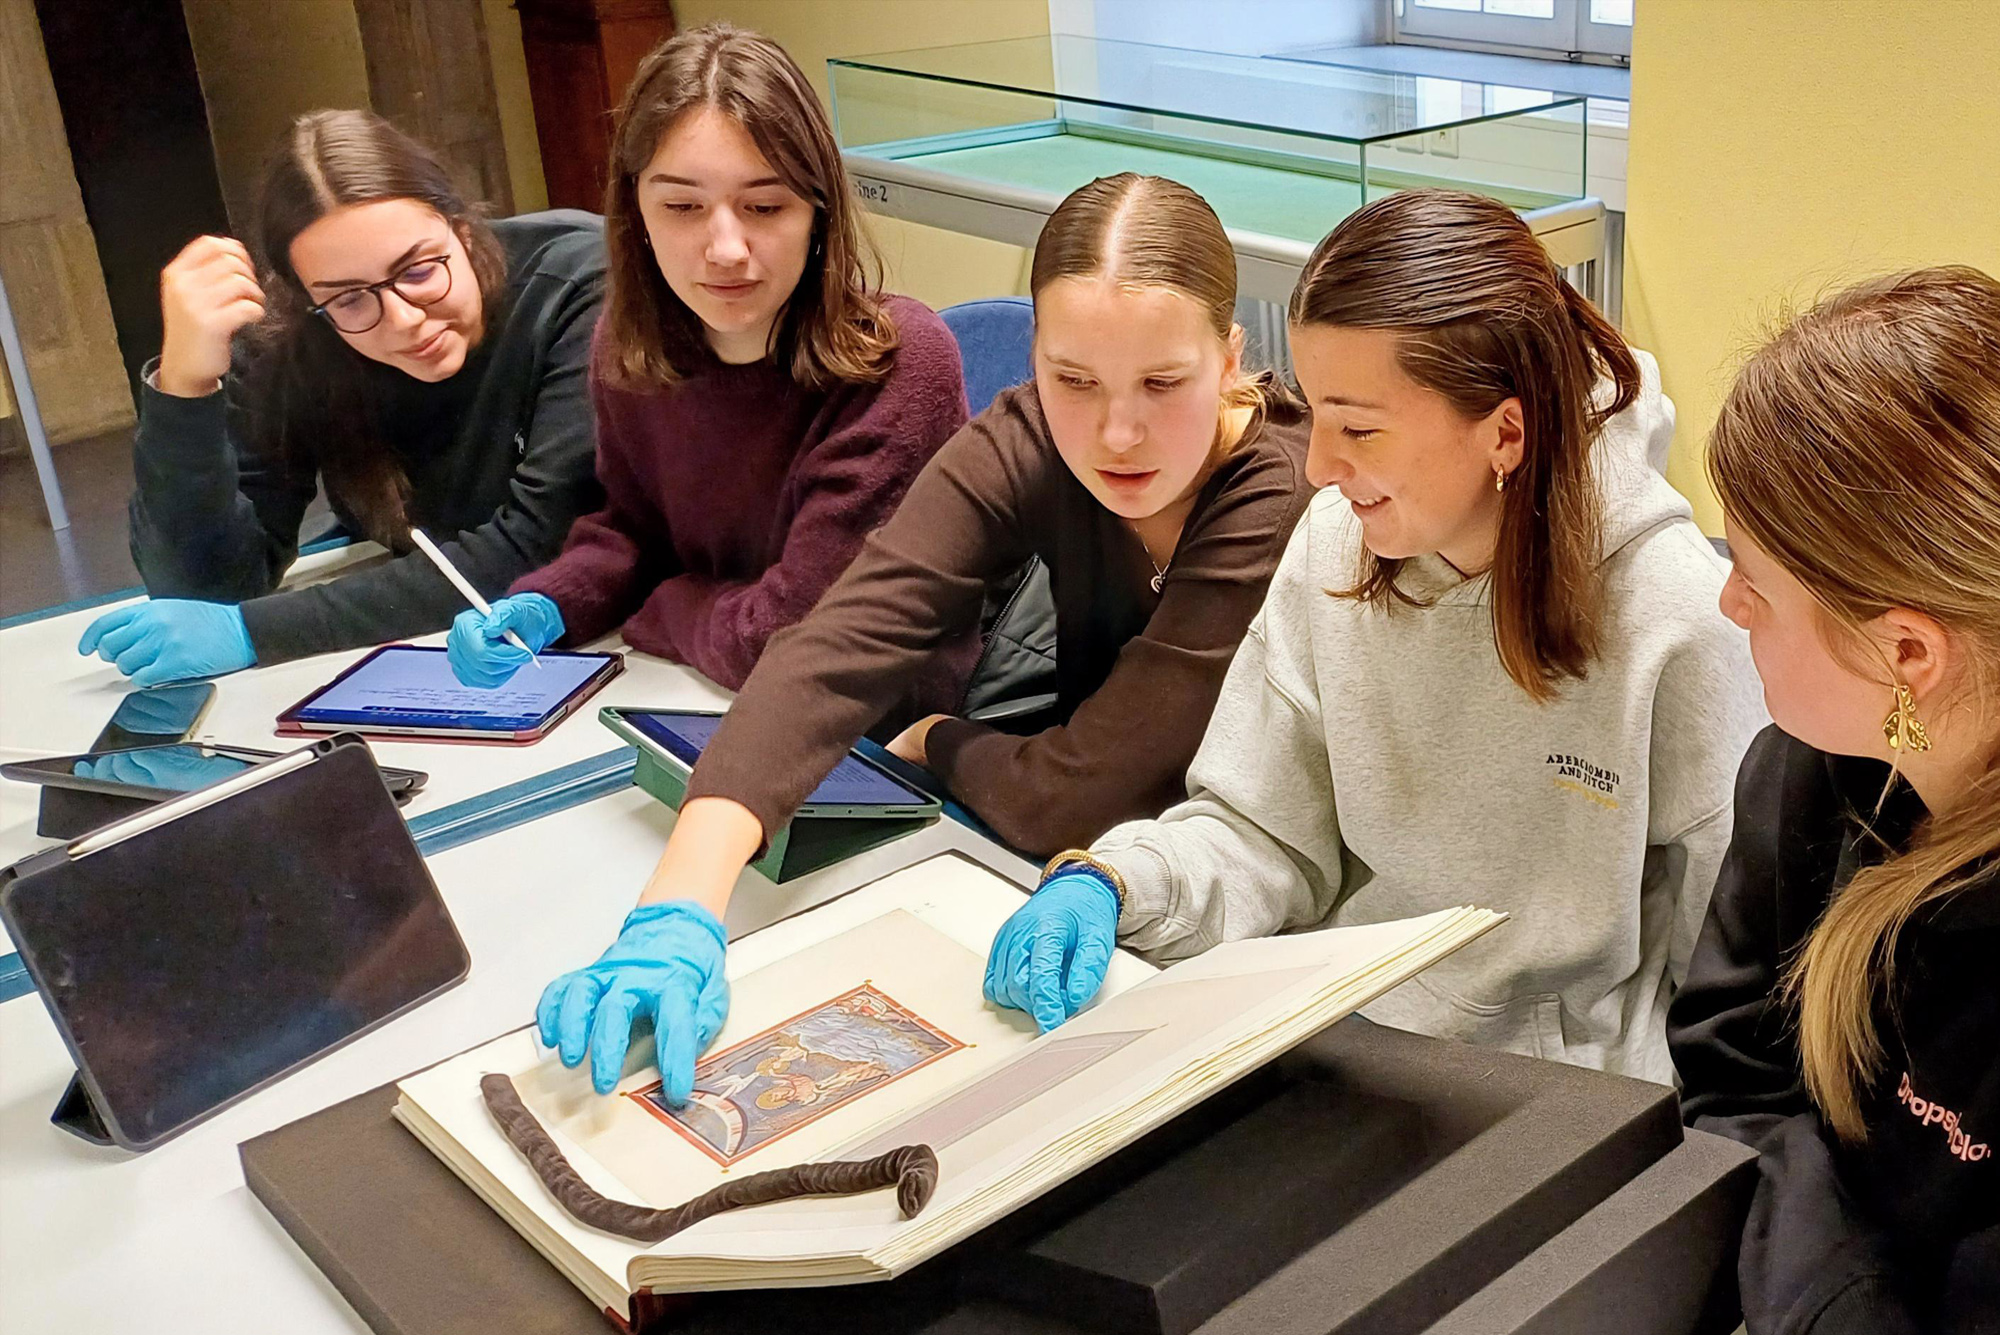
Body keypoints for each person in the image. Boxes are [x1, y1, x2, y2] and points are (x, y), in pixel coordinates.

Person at [537, 171, 1314, 1102]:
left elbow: (1086, 792)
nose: (1117, 430)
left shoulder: (1279, 498)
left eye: (1163, 382)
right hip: (1079, 885)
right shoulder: (1029, 434)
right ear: (1034, 359)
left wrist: (940, 740)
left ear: (1229, 359)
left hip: (1221, 909)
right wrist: (677, 903)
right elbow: (839, 645)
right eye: (1074, 379)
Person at [984, 189, 1766, 1086]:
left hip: (1571, 1100)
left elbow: (1734, 991)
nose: (1318, 465)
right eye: (1316, 414)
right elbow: (1261, 832)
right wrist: (1120, 880)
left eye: (1358, 428)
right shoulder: (1332, 542)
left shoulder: (1680, 618)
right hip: (1347, 1052)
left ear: (1505, 431)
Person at [1667, 267, 2000, 1335]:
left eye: (1753, 582)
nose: (1725, 600)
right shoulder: (1809, 766)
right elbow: (1725, 1076)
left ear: (1905, 650)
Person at [446, 23, 969, 697]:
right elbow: (635, 531)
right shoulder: (632, 349)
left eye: (764, 204)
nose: (725, 246)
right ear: (636, 209)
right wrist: (553, 602)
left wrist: (667, 604)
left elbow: (792, 636)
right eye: (683, 206)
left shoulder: (900, 365)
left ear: (819, 209)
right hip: (698, 688)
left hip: (871, 729)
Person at [77, 109, 606, 684]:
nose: (403, 320)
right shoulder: (291, 338)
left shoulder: (578, 282)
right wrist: (185, 389)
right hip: (431, 646)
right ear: (306, 298)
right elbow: (208, 592)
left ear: (465, 231)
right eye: (350, 300)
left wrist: (257, 633)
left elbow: (539, 543)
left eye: (421, 270)